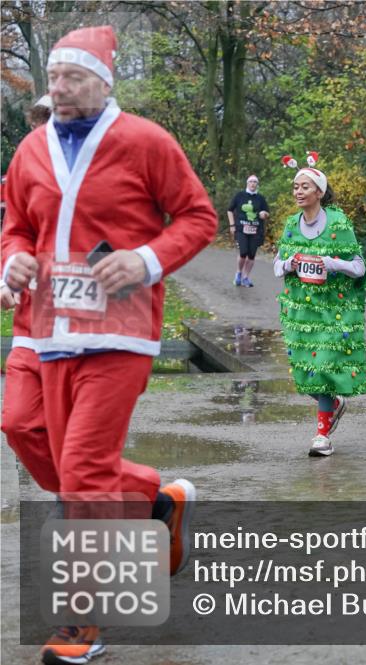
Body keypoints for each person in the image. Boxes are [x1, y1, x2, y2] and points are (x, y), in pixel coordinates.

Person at [0, 25, 217, 663]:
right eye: (53, 78)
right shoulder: (32, 148)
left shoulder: (145, 141)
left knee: (85, 474)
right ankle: (154, 502)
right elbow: (15, 225)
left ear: (102, 81)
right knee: (21, 428)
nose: (58, 88)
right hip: (42, 328)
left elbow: (199, 217)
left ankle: (81, 621)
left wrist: (147, 260)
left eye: (71, 77)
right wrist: (11, 261)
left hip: (117, 334)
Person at [273, 156, 366, 457]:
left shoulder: (339, 224)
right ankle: (334, 405)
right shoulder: (291, 225)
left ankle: (322, 436)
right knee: (305, 374)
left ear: (319, 192)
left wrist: (331, 263)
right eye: (295, 187)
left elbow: (359, 267)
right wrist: (291, 262)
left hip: (334, 311)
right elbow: (277, 266)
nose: (298, 192)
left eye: (305, 187)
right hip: (302, 313)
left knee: (323, 368)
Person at [227, 174, 270, 287]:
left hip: (256, 230)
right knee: (243, 253)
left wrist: (264, 214)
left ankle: (245, 277)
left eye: (255, 182)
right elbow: (230, 210)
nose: (252, 184)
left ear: (257, 184)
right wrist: (232, 225)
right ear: (247, 183)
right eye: (250, 181)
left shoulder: (260, 198)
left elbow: (267, 213)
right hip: (241, 229)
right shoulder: (240, 196)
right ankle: (238, 273)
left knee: (251, 255)